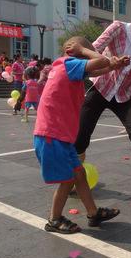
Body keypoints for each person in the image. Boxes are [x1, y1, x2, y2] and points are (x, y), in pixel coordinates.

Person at [35, 36, 125, 234]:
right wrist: (86, 51)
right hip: (53, 135)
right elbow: (99, 61)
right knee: (68, 179)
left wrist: (113, 66)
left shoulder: (66, 67)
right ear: (74, 52)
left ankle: (93, 213)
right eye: (85, 53)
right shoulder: (68, 63)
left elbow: (97, 68)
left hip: (59, 135)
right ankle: (54, 219)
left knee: (79, 174)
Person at [74, 11, 131, 205]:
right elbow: (92, 49)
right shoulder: (119, 28)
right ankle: (71, 178)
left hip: (123, 95)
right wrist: (107, 61)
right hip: (99, 88)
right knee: (81, 137)